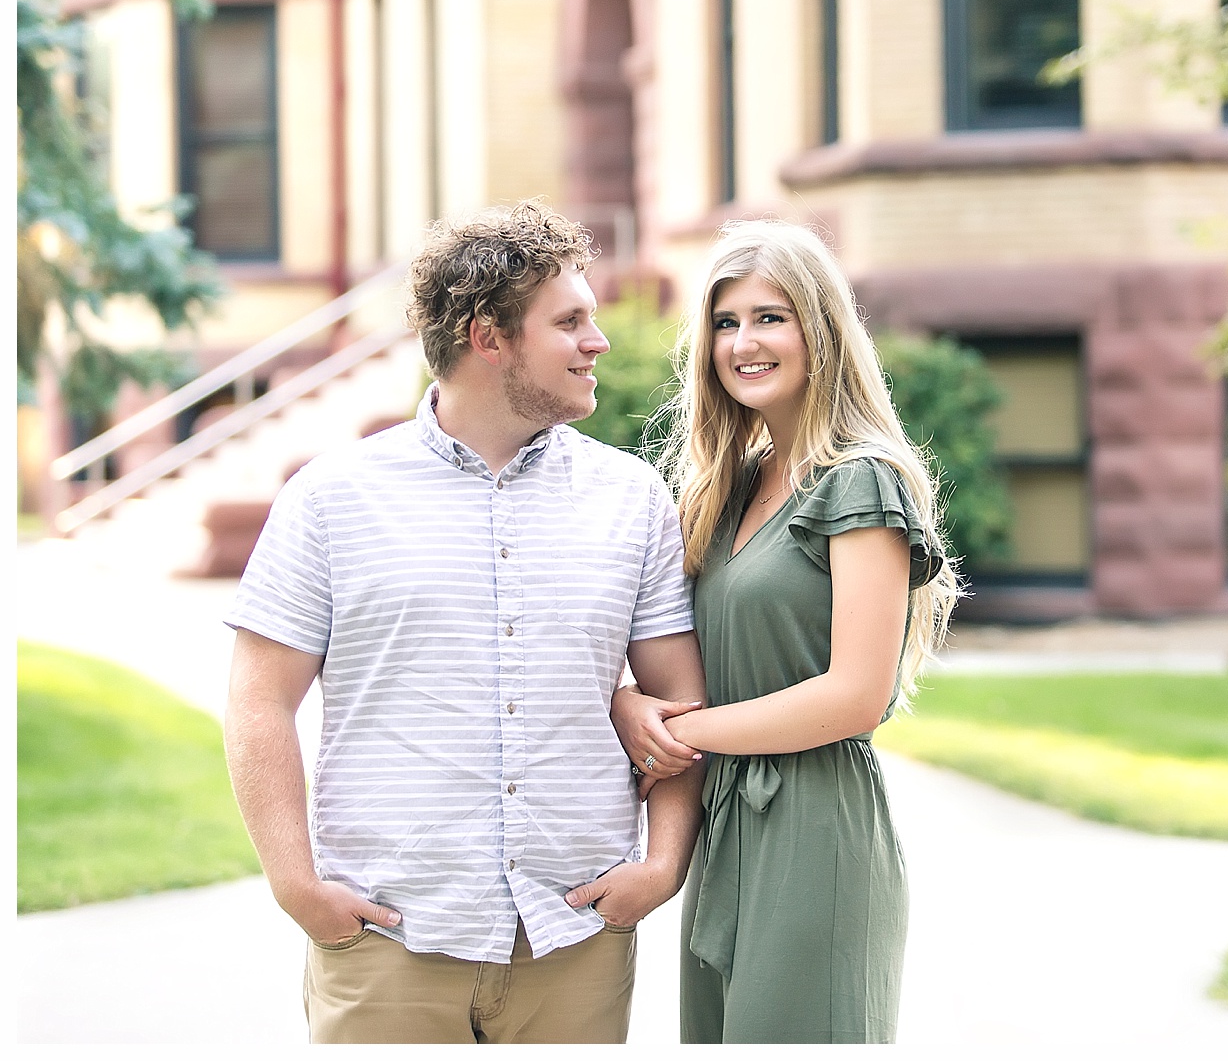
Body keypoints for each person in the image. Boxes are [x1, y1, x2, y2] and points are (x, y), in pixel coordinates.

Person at [222, 200, 705, 1044]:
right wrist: (296, 887)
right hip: (389, 940)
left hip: (575, 942)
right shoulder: (330, 500)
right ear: (489, 336)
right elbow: (260, 702)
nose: (599, 341)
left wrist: (662, 868)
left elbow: (681, 709)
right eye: (571, 322)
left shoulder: (634, 501)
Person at [611, 219, 960, 1043]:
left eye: (771, 317)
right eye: (726, 323)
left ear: (822, 331)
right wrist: (632, 705)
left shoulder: (860, 482)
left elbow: (855, 696)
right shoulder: (726, 488)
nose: (744, 343)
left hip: (814, 828)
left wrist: (678, 730)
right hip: (726, 823)